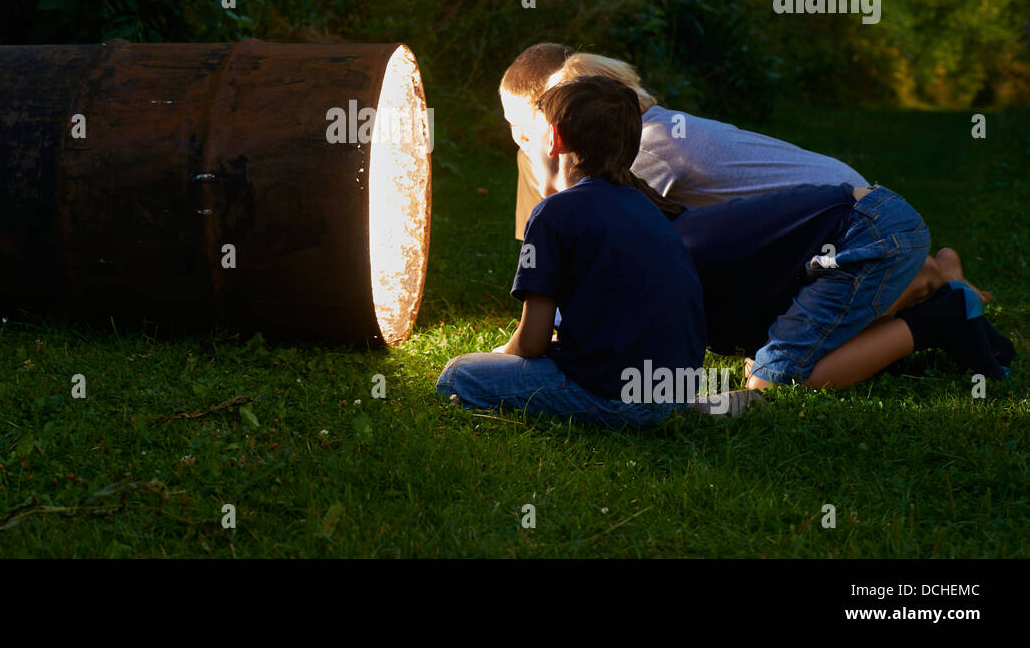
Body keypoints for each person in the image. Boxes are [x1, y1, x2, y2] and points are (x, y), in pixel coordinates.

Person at [543, 77, 1015, 391]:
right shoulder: (665, 235)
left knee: (774, 379)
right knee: (764, 353)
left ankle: (942, 317)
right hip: (866, 224)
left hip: (870, 229)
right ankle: (934, 292)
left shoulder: (670, 251)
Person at [501, 42, 991, 313]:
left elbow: (588, 228)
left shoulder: (646, 150)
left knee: (833, 316)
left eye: (526, 128)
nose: (521, 141)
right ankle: (932, 269)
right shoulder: (646, 127)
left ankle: (930, 276)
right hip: (835, 206)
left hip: (843, 222)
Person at [435, 76, 710, 427]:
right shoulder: (651, 208)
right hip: (674, 393)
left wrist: (501, 356)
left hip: (614, 398)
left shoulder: (554, 213)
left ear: (554, 138)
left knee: (459, 375)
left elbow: (532, 343)